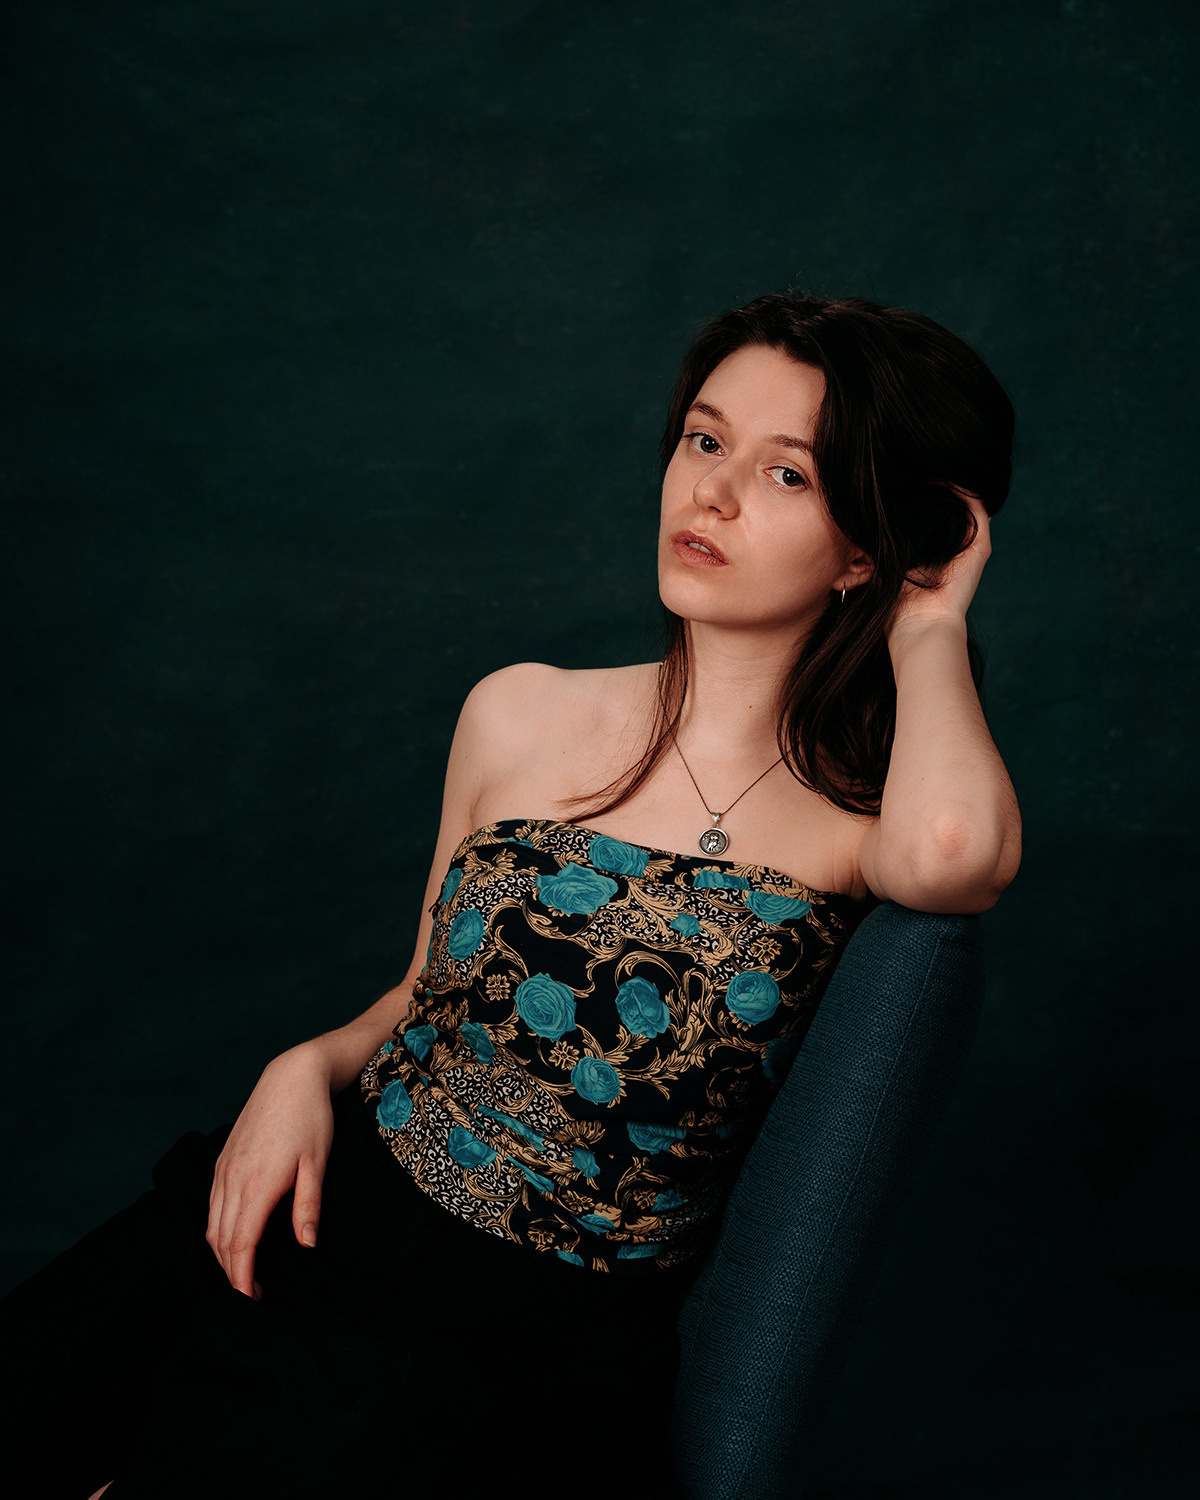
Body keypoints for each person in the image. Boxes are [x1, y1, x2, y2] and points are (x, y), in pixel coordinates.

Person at [2, 291, 1021, 1499]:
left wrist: (927, 621)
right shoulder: (520, 710)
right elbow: (425, 991)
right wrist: (306, 1067)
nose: (711, 492)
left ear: (865, 548)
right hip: (319, 1194)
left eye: (786, 473)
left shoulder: (859, 826)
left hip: (502, 1344)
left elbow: (957, 855)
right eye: (704, 439)